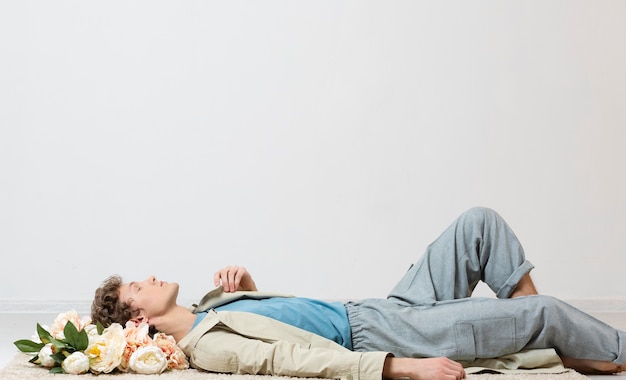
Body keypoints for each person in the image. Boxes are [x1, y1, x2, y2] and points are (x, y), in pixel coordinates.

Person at [91, 207, 626, 380]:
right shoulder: (205, 345)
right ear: (138, 322)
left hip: (377, 306)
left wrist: (248, 286)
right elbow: (291, 356)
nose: (152, 277)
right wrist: (402, 368)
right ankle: (597, 348)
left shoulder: (211, 307)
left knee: (478, 223)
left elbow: (286, 317)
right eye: (139, 287)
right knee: (548, 310)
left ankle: (542, 336)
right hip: (377, 334)